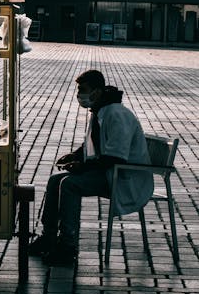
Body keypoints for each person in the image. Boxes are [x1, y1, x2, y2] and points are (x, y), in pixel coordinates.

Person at [30, 69, 153, 267]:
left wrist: (82, 166)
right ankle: (48, 236)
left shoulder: (116, 114)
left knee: (70, 185)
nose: (80, 95)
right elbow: (96, 146)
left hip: (124, 178)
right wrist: (77, 155)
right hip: (110, 172)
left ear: (97, 91)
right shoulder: (101, 111)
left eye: (83, 89)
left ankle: (68, 246)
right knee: (55, 180)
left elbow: (114, 156)